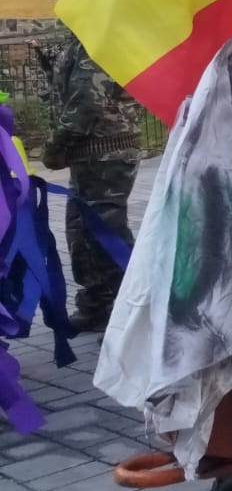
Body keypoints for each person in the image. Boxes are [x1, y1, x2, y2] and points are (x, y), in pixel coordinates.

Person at [35, 33, 142, 332]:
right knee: (82, 231)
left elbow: (86, 103)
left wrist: (55, 148)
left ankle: (129, 315)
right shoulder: (83, 41)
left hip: (107, 153)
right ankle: (97, 305)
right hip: (91, 155)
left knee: (106, 234)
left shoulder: (101, 43)